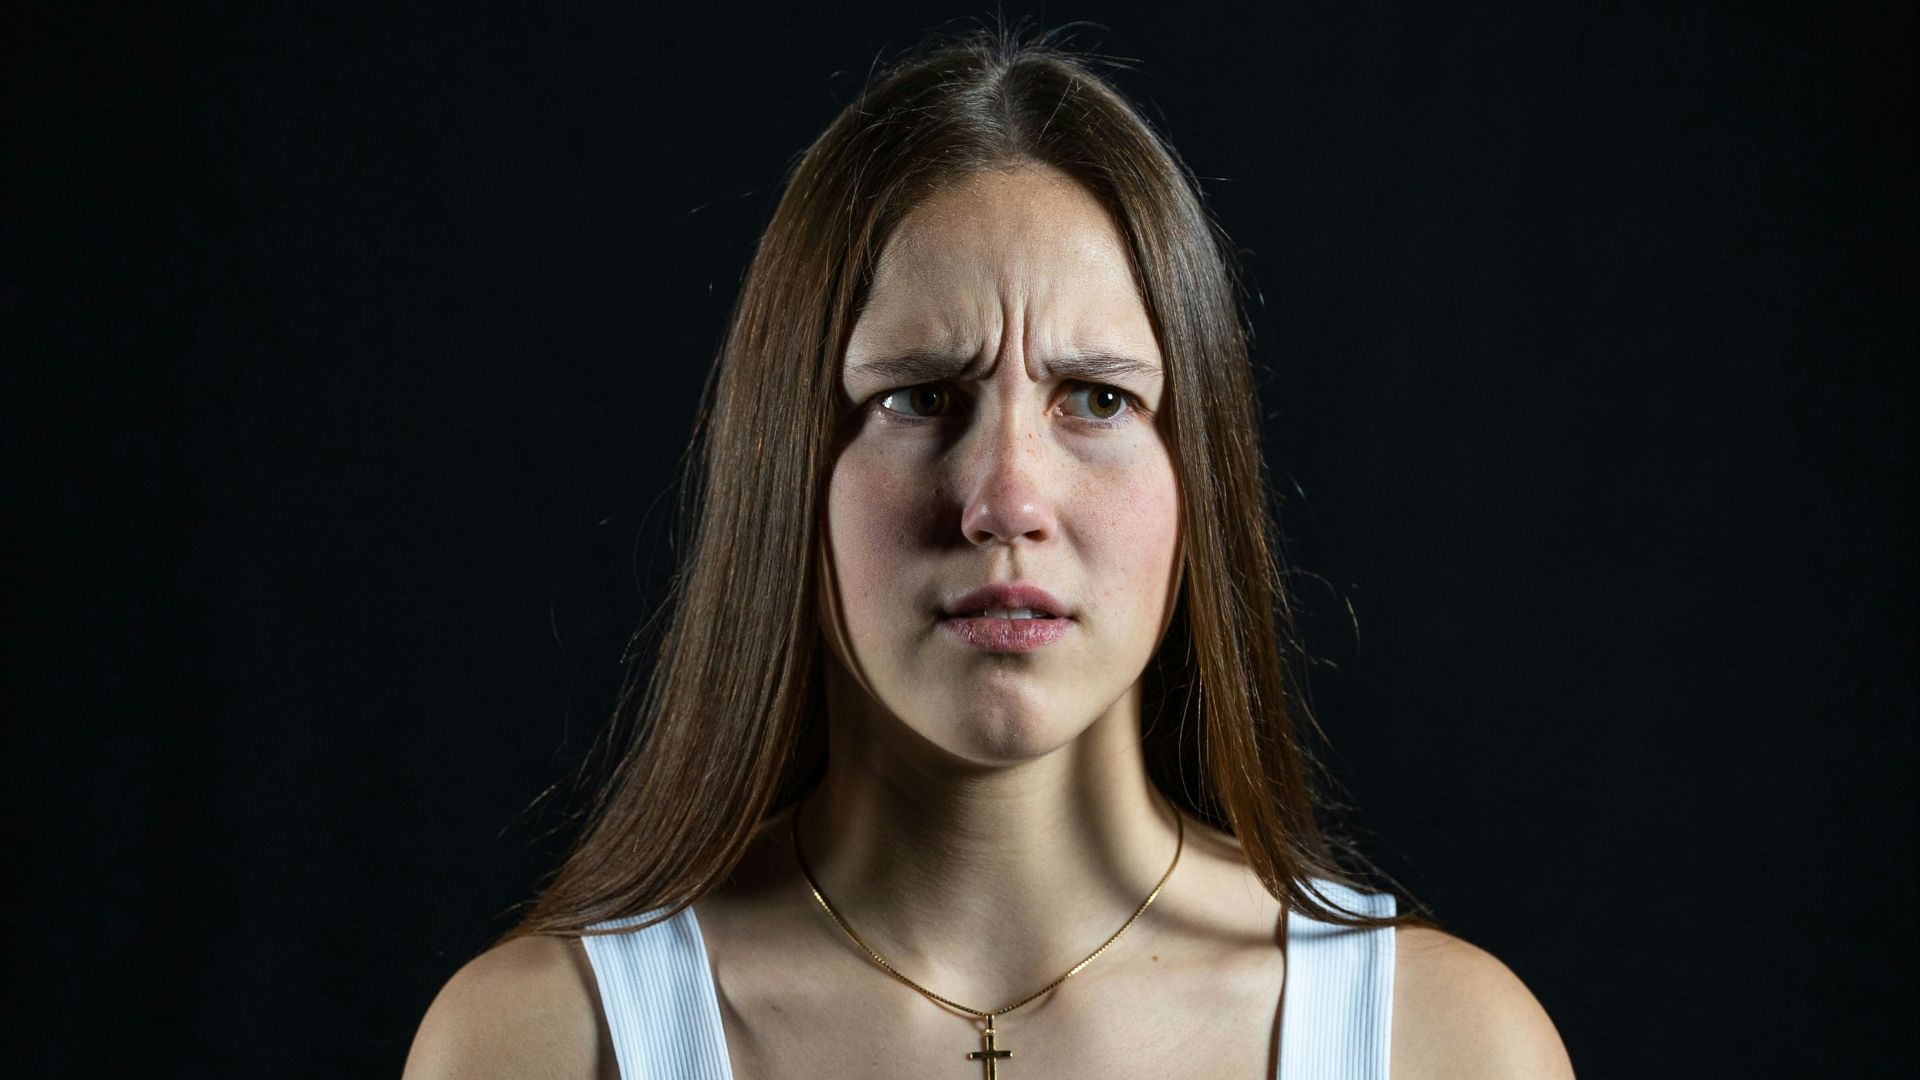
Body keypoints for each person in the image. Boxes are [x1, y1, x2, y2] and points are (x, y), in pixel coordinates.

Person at [404, 26, 1574, 1080]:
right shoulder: (541, 1046)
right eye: (917, 397)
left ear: (1199, 476)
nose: (1005, 500)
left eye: (1097, 400)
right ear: (786, 471)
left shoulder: (1448, 1046)